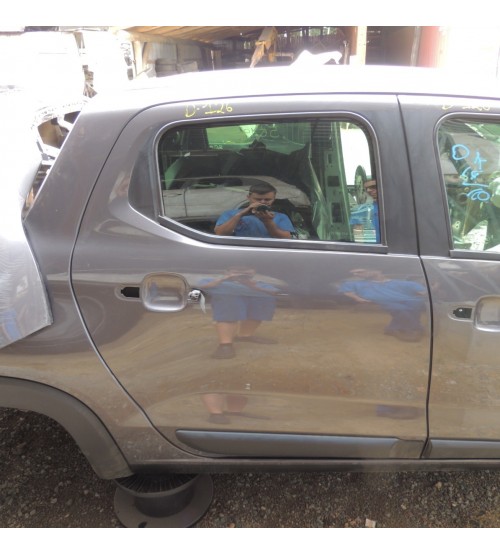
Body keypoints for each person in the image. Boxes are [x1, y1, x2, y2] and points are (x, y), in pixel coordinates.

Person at [199, 267, 280, 359]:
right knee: (228, 314)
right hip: (229, 299)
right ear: (227, 272)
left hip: (256, 297)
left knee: (257, 312)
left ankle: (245, 335)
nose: (241, 274)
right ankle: (225, 344)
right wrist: (223, 279)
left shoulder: (259, 283)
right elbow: (203, 286)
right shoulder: (217, 281)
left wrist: (252, 286)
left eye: (246, 271)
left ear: (253, 272)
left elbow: (275, 292)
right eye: (237, 271)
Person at [338, 268, 427, 342]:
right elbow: (347, 291)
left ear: (377, 270)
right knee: (401, 308)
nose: (356, 274)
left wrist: (429, 291)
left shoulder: (402, 283)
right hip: (384, 302)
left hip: (408, 301)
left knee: (415, 303)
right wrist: (358, 298)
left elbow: (424, 292)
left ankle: (394, 328)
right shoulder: (356, 283)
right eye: (354, 273)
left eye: (360, 271)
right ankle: (412, 329)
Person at [214, 182, 295, 238]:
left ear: (273, 199)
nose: (262, 202)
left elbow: (286, 239)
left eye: (267, 200)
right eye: (258, 199)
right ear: (248, 198)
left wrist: (268, 222)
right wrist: (240, 215)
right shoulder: (230, 214)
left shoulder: (280, 217)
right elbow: (220, 234)